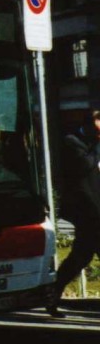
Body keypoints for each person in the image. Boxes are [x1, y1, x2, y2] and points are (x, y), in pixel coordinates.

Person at [49, 109, 100, 317]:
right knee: (78, 258)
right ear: (87, 127)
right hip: (87, 212)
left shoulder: (90, 145)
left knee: (79, 258)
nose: (99, 135)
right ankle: (51, 296)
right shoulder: (71, 142)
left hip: (95, 211)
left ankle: (51, 296)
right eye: (97, 132)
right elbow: (86, 165)